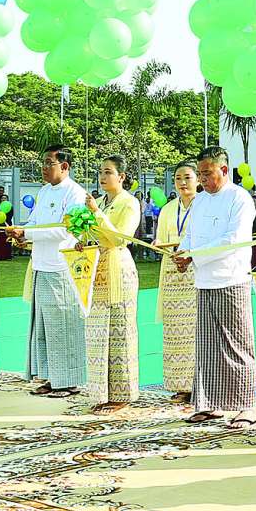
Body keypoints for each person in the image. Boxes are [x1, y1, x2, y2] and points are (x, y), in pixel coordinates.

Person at [178, 146, 256, 426]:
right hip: (204, 280)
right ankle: (210, 404)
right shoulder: (200, 200)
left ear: (224, 170)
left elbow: (233, 240)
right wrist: (183, 252)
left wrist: (194, 255)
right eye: (199, 174)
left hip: (231, 278)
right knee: (207, 346)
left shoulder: (240, 198)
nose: (202, 179)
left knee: (237, 344)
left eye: (207, 173)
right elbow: (190, 234)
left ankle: (246, 406)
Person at [6, 147, 88, 398]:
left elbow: (66, 230)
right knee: (44, 327)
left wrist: (28, 233)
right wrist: (22, 234)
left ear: (65, 166)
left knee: (63, 326)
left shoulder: (75, 193)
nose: (44, 168)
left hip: (61, 267)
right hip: (40, 264)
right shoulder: (43, 191)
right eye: (43, 162)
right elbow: (34, 222)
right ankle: (51, 377)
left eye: (49, 163)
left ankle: (68, 381)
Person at [84, 156, 142, 411]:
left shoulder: (129, 202)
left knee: (120, 331)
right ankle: (101, 392)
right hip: (96, 269)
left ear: (121, 177)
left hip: (118, 268)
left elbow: (120, 239)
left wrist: (97, 214)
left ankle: (122, 394)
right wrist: (82, 239)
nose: (103, 176)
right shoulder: (97, 202)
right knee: (98, 333)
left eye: (108, 172)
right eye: (101, 172)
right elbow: (89, 233)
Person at [154, 161, 200, 403]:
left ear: (198, 180)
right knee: (174, 333)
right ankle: (180, 385)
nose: (183, 183)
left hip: (195, 271)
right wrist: (161, 246)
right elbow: (160, 239)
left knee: (195, 330)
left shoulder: (204, 205)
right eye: (178, 178)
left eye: (187, 177)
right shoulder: (168, 209)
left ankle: (198, 384)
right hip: (172, 272)